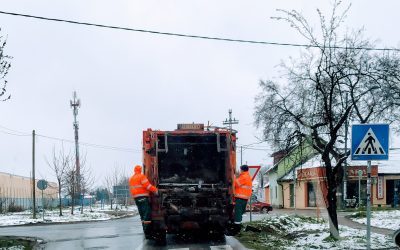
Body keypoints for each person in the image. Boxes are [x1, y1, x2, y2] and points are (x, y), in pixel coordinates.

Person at [129, 165, 158, 237]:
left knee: (142, 215)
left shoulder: (131, 178)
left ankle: (145, 231)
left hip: (136, 198)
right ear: (140, 170)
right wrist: (156, 190)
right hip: (143, 197)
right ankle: (148, 233)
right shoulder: (141, 177)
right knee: (147, 215)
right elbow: (148, 186)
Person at [233, 164, 252, 231]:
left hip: (240, 197)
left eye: (240, 169)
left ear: (242, 170)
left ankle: (237, 228)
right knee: (240, 212)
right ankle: (239, 226)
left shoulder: (244, 176)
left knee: (238, 212)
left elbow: (236, 183)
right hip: (244, 197)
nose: (240, 171)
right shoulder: (248, 176)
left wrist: (234, 176)